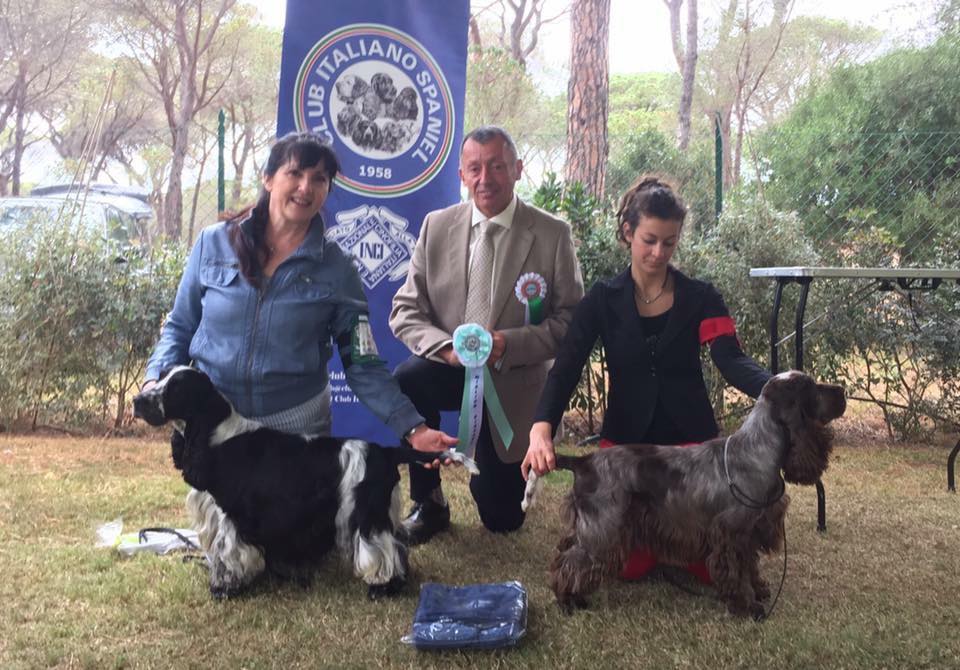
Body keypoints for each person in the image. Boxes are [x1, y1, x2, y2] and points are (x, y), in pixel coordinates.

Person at [143, 131, 456, 459]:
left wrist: (413, 428)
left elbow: (362, 363)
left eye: (319, 178)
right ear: (268, 178)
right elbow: (180, 327)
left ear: (327, 189)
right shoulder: (213, 243)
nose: (306, 187)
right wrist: (155, 382)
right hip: (214, 426)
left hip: (294, 438)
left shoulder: (338, 269)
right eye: (294, 173)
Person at [521, 175, 771, 582]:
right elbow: (566, 367)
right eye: (649, 240)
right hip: (627, 447)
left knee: (708, 565)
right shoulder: (601, 300)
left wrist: (777, 387)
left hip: (691, 446)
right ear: (627, 232)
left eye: (669, 242)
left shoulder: (702, 297)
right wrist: (541, 427)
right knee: (625, 565)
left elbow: (731, 360)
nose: (658, 253)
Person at [389, 125, 584, 542]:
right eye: (474, 168)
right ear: (461, 174)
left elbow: (571, 321)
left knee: (502, 519)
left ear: (518, 169)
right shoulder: (436, 226)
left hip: (512, 382)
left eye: (497, 166)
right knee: (408, 377)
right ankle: (429, 501)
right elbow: (404, 311)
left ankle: (492, 470)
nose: (485, 179)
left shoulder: (552, 234)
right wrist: (447, 350)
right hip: (451, 367)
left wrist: (508, 344)